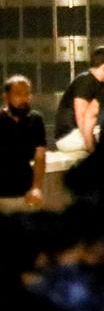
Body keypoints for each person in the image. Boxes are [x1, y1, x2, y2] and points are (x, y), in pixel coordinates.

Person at [53, 45, 104, 152]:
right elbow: (82, 116)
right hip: (70, 136)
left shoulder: (98, 84)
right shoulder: (86, 81)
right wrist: (91, 148)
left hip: (80, 134)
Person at [0, 75, 47, 212]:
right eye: (18, 94)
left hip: (25, 191)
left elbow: (40, 156)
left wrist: (37, 187)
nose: (24, 99)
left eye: (27, 94)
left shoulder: (35, 120)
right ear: (6, 97)